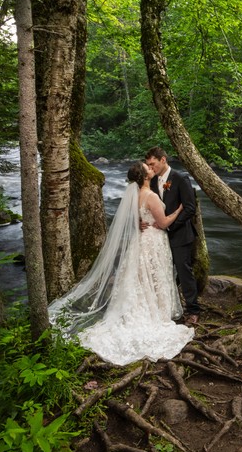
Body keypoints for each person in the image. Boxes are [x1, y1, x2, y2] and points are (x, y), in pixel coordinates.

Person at [49, 162, 194, 365]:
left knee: (142, 276)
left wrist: (138, 222)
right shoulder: (150, 196)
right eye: (148, 168)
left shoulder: (135, 195)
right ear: (144, 176)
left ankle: (151, 308)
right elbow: (163, 223)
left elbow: (131, 219)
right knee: (154, 275)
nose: (152, 169)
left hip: (141, 240)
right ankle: (157, 312)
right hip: (153, 241)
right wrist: (178, 211)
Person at [144, 146, 202, 325]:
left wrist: (169, 225)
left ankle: (193, 310)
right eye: (148, 165)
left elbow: (190, 208)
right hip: (157, 237)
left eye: (152, 164)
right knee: (162, 272)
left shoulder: (180, 178)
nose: (150, 168)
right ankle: (165, 308)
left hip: (180, 234)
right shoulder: (151, 182)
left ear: (163, 160)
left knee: (184, 272)